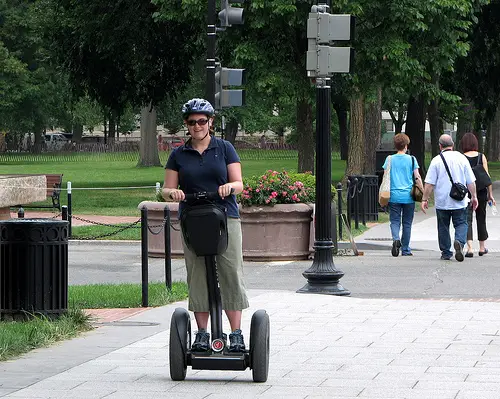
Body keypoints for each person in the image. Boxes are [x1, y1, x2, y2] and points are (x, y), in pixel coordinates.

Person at [162, 98, 249, 353]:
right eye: (192, 122)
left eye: (202, 121)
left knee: (230, 271)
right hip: (193, 219)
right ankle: (201, 333)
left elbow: (239, 183)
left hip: (225, 217)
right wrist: (173, 195)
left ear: (210, 122)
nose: (197, 125)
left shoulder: (225, 149)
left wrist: (228, 187)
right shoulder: (178, 155)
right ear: (186, 125)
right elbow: (167, 188)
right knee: (197, 274)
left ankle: (236, 334)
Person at [421, 134, 478, 261]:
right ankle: (459, 242)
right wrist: (474, 196)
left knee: (443, 226)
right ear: (452, 145)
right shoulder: (462, 159)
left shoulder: (436, 160)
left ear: (440, 146)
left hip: (442, 201)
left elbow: (429, 183)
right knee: (462, 223)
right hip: (460, 200)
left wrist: (425, 199)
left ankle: (446, 252)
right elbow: (471, 181)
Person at [382, 133, 423, 257]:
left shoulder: (389, 159)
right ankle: (405, 249)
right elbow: (417, 177)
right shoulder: (411, 159)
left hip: (393, 195)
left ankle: (395, 239)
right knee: (407, 223)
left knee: (394, 221)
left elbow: (386, 175)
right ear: (405, 145)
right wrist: (423, 191)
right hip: (408, 196)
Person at [459, 132, 496, 257]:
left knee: (467, 219)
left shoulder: (461, 157)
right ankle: (482, 247)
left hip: (466, 192)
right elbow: (487, 177)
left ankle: (469, 248)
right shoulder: (481, 156)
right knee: (481, 218)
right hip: (481, 191)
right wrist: (490, 194)